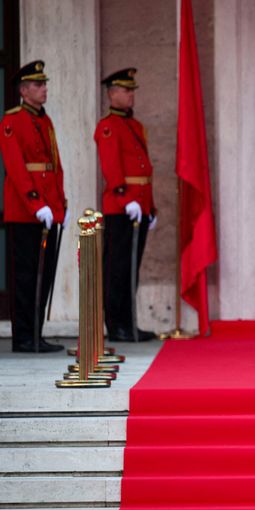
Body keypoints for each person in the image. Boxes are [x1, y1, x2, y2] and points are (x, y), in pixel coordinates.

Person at [0, 60, 67, 353]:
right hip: (26, 211)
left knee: (45, 272)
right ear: (24, 90)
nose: (44, 89)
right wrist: (36, 203)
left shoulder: (45, 121)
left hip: (48, 211)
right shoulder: (11, 121)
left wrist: (58, 203)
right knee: (26, 276)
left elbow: (54, 165)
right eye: (39, 85)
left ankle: (35, 333)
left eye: (45, 84)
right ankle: (23, 337)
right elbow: (16, 169)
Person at [94, 68, 156, 342]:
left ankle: (129, 323)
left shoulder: (135, 125)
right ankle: (116, 324)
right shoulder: (108, 126)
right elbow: (111, 168)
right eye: (126, 90)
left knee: (132, 268)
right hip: (121, 208)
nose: (131, 95)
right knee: (117, 268)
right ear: (112, 93)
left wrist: (149, 206)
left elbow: (144, 170)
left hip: (138, 205)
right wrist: (124, 198)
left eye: (132, 90)